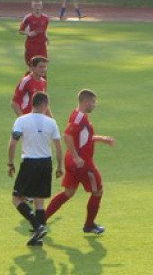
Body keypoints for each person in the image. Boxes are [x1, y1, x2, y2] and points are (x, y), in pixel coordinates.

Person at [42, 89, 114, 235]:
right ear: (86, 101)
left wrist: (101, 139)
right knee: (97, 191)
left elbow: (82, 138)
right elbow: (67, 135)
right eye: (93, 102)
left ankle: (41, 220)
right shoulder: (79, 117)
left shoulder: (78, 115)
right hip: (82, 163)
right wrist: (76, 157)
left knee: (68, 192)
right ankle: (89, 225)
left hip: (73, 160)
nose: (95, 105)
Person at [8, 91, 64, 247]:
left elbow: (13, 143)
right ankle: (37, 239)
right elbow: (58, 147)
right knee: (39, 202)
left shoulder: (21, 120)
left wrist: (10, 163)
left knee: (16, 199)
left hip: (30, 163)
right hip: (46, 163)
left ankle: (37, 226)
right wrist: (60, 167)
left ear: (33, 104)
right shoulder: (51, 123)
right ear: (45, 105)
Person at [19, 0, 49, 67]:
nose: (37, 7)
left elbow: (44, 30)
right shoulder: (28, 18)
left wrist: (47, 37)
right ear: (32, 6)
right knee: (32, 67)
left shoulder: (46, 18)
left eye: (39, 5)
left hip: (42, 46)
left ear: (41, 6)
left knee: (43, 66)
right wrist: (29, 33)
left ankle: (43, 78)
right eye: (35, 5)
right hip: (31, 45)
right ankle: (28, 77)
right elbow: (20, 31)